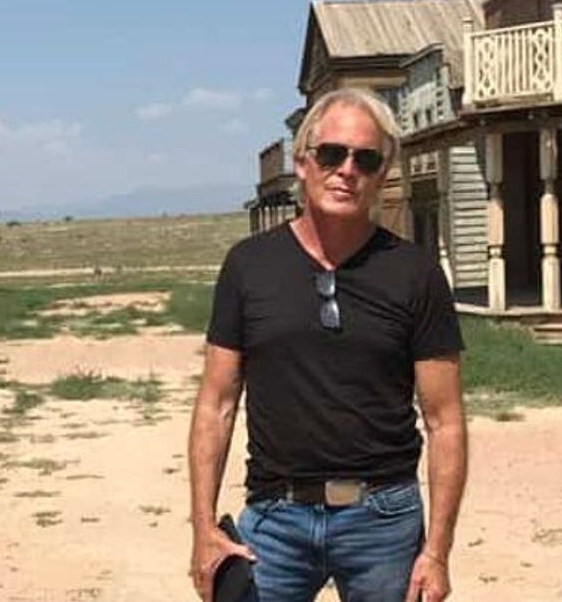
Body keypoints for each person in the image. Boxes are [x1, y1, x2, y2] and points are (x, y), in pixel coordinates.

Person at [187, 87, 467, 602]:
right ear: (302, 162)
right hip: (275, 518)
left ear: (382, 174)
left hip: (383, 520)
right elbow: (217, 404)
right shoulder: (248, 266)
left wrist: (438, 552)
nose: (347, 170)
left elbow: (444, 420)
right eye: (332, 154)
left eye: (365, 159)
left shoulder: (416, 273)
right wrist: (203, 528)